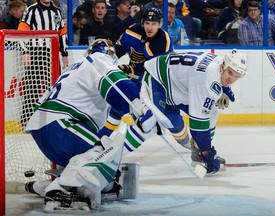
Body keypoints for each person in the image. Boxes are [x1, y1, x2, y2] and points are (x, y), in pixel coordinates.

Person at [24, 39, 156, 212]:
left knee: (100, 160)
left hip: (45, 130)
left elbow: (116, 109)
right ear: (109, 54)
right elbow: (119, 87)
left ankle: (42, 185)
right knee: (104, 153)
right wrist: (140, 107)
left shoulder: (74, 68)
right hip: (62, 126)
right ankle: (57, 189)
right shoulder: (99, 59)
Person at [140, 49, 248, 174]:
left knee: (212, 113)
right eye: (230, 73)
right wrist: (209, 153)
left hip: (178, 86)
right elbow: (198, 126)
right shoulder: (205, 81)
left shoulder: (219, 62)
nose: (232, 79)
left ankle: (198, 155)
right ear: (223, 67)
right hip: (158, 78)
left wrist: (224, 87)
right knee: (151, 123)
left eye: (236, 76)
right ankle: (117, 158)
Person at [17, 0, 69, 127]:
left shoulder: (57, 11)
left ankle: (52, 118)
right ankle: (27, 120)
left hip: (52, 51)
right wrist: (25, 51)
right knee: (32, 86)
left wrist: (64, 54)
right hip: (35, 51)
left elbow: (62, 33)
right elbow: (22, 30)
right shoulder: (31, 10)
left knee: (53, 86)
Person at [114, 7, 173, 85]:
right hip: (135, 77)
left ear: (160, 24)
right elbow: (118, 50)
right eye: (147, 23)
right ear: (142, 23)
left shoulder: (163, 40)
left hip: (157, 83)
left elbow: (157, 73)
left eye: (154, 24)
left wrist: (133, 76)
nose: (150, 28)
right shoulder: (133, 32)